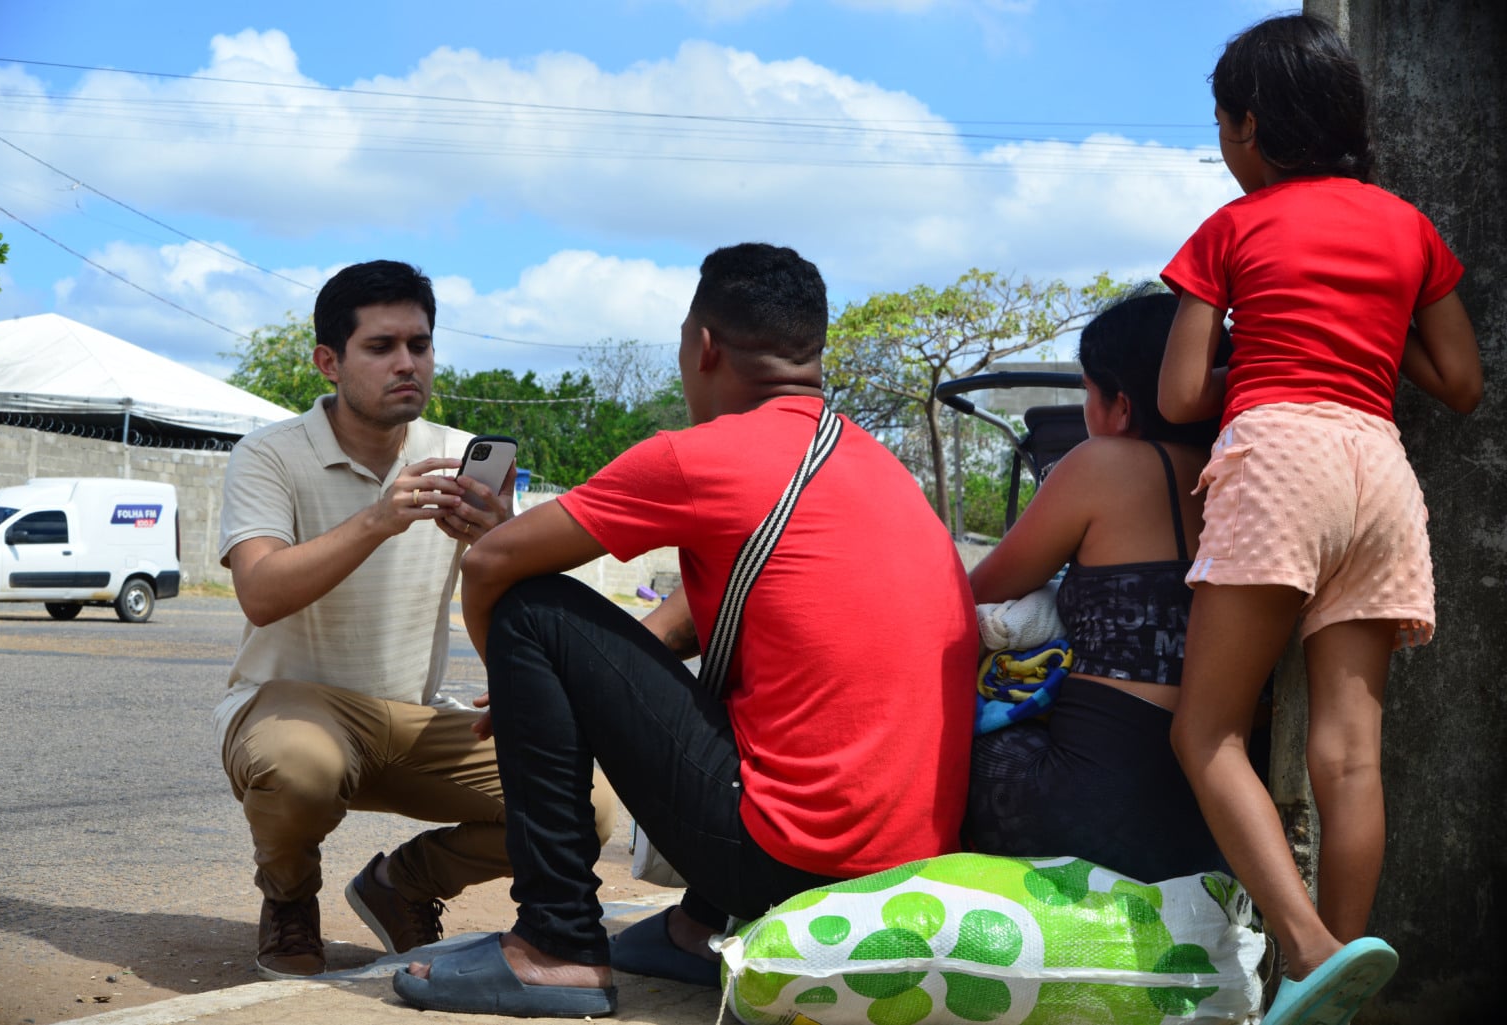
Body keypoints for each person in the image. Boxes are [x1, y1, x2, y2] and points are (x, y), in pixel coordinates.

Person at [392, 242, 979, 1018]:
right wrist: (551, 693)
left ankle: (556, 944)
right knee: (762, 702)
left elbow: (492, 566)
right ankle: (702, 928)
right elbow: (665, 639)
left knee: (533, 610)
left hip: (787, 861)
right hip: (899, 866)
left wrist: (514, 672)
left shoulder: (702, 457)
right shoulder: (873, 466)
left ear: (703, 346)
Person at [1157, 15, 1483, 1025]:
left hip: (1280, 454)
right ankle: (1330, 986)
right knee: (1349, 750)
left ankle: (1303, 946)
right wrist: (1370, 345)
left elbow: (1175, 395)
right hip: (1378, 469)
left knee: (1205, 730)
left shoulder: (1232, 226)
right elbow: (1461, 383)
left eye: (1222, 122)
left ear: (1248, 125)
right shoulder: (1407, 227)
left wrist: (1255, 337)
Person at [214, 259, 615, 980]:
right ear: (328, 361)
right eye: (381, 346)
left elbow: (513, 591)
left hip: (414, 713)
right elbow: (261, 592)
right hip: (292, 709)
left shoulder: (455, 456)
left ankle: (403, 883)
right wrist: (377, 519)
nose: (408, 363)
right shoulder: (268, 455)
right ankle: (289, 900)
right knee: (299, 767)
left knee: (586, 802)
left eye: (420, 345)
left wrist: (498, 540)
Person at [962, 287, 1254, 883]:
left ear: (1120, 405)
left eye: (1090, 392)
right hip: (1207, 821)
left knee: (957, 740)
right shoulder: (1248, 475)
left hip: (1081, 801)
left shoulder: (1102, 465)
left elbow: (978, 590)